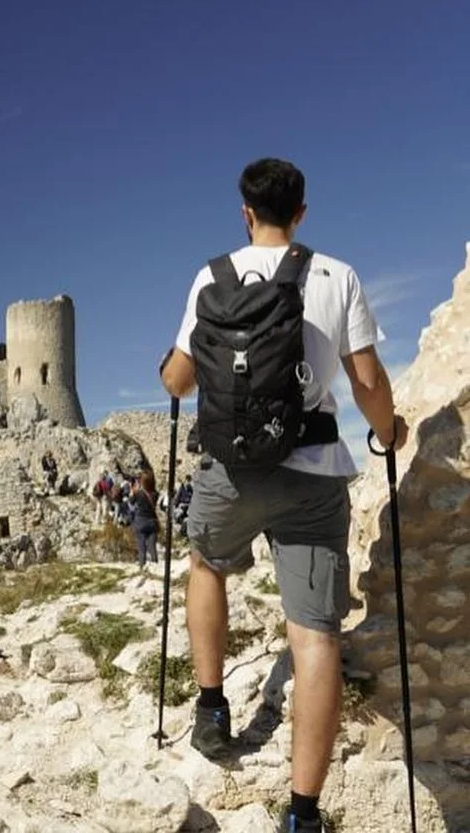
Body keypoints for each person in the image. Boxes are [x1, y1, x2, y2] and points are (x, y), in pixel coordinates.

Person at [159, 158, 407, 833]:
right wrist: (390, 431)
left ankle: (211, 708)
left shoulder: (211, 278)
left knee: (207, 564)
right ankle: (301, 813)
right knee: (316, 636)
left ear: (245, 212)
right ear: (301, 212)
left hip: (230, 473)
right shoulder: (336, 275)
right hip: (315, 473)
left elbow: (178, 381)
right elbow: (366, 379)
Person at [129, 470, 160, 565]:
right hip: (152, 522)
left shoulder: (138, 493)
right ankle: (155, 564)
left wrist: (133, 492)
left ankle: (142, 564)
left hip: (140, 521)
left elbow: (131, 502)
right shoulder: (155, 494)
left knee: (141, 546)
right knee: (152, 546)